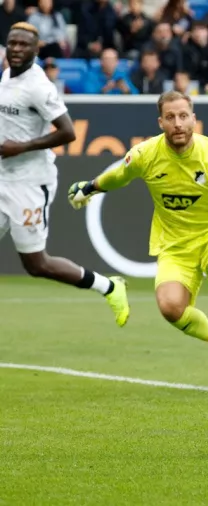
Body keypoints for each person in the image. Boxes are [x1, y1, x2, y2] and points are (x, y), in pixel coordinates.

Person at [66, 91, 208, 394]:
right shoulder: (145, 155)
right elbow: (119, 176)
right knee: (170, 308)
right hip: (174, 243)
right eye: (171, 117)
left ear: (194, 119)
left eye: (183, 116)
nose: (178, 123)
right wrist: (91, 187)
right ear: (161, 122)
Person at [0, 22, 130, 327]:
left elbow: (68, 132)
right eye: (12, 44)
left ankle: (109, 287)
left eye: (23, 45)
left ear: (37, 49)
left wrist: (22, 147)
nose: (16, 50)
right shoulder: (6, 76)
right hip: (3, 177)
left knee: (36, 264)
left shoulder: (39, 87)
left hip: (29, 183)